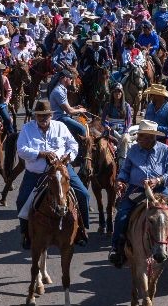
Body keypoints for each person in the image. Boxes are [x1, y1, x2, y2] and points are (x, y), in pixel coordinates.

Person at [108, 120, 168, 271]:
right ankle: (117, 248)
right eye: (141, 137)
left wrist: (159, 180)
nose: (141, 140)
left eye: (146, 137)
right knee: (122, 215)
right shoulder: (133, 150)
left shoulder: (165, 150)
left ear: (152, 138)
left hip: (160, 190)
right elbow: (125, 170)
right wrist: (121, 180)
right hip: (137, 190)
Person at [16, 100, 90, 249]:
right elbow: (21, 150)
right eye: (40, 116)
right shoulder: (27, 129)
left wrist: (67, 157)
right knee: (22, 200)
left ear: (51, 115)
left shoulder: (61, 127)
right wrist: (40, 154)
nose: (43, 119)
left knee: (83, 194)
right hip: (36, 173)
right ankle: (26, 234)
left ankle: (81, 229)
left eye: (46, 115)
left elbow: (73, 145)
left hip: (61, 169)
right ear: (35, 116)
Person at [49, 69, 87, 138]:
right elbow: (69, 111)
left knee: (84, 123)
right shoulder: (58, 91)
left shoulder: (63, 89)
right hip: (60, 118)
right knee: (82, 129)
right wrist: (80, 110)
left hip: (64, 116)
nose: (71, 80)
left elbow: (67, 108)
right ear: (64, 78)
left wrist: (75, 108)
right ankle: (82, 148)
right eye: (70, 78)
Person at [101, 84, 132, 166]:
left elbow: (129, 121)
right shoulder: (107, 105)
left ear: (122, 93)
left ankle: (127, 163)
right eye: (115, 91)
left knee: (128, 145)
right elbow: (103, 120)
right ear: (112, 93)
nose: (117, 93)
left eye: (119, 91)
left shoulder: (126, 106)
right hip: (110, 129)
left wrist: (125, 131)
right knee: (100, 144)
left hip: (122, 130)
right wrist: (106, 126)